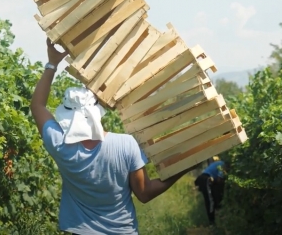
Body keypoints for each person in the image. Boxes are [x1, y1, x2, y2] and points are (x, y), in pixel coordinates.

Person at [30, 38, 195, 235]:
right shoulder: (125, 145)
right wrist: (183, 167)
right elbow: (145, 193)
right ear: (97, 112)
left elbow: (37, 106)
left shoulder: (59, 143)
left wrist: (52, 63)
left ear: (67, 117)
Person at [194, 160, 227, 225]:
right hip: (206, 179)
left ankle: (212, 220)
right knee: (210, 200)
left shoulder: (219, 163)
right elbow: (219, 179)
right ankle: (212, 221)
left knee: (210, 199)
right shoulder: (222, 165)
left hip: (203, 178)